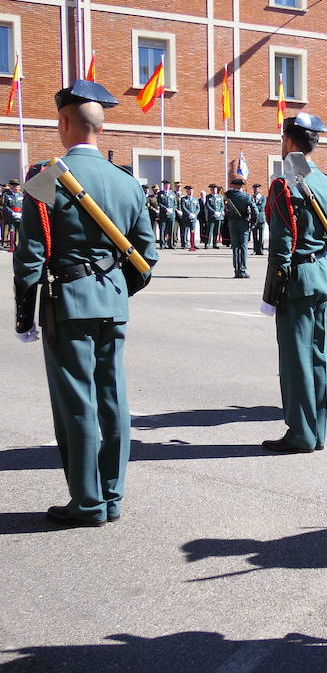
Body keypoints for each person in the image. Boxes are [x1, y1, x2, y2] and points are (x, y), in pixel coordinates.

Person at [12, 79, 158, 526]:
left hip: (67, 305)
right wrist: (113, 289)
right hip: (113, 304)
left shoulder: (45, 176)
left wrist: (24, 314)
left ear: (63, 123)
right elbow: (147, 253)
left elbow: (30, 256)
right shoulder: (128, 182)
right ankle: (111, 496)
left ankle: (88, 503)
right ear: (100, 127)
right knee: (112, 398)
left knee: (77, 403)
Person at [260, 113, 327, 453]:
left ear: (287, 142)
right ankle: (317, 431)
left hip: (297, 280)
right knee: (317, 357)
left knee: (296, 360)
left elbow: (281, 246)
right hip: (322, 278)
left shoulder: (286, 182)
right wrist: (325, 269)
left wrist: (272, 292)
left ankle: (300, 433)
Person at [224, 177, 257, 278]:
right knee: (243, 247)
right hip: (243, 223)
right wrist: (253, 222)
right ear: (242, 186)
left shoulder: (228, 196)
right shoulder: (246, 197)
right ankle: (242, 270)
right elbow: (255, 211)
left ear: (234, 186)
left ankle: (236, 270)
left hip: (232, 223)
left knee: (235, 247)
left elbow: (225, 208)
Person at [2, 179, 24, 253]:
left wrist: (21, 213)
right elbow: (5, 206)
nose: (17, 188)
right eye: (16, 187)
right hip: (11, 216)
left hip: (20, 216)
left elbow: (24, 205)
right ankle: (12, 246)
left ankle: (20, 246)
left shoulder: (21, 194)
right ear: (11, 187)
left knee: (20, 232)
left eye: (18, 187)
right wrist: (12, 213)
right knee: (12, 231)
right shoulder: (7, 195)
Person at [178, 185, 200, 251]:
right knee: (185, 231)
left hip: (193, 218)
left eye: (192, 191)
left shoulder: (195, 199)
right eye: (189, 191)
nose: (191, 192)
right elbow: (183, 207)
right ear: (187, 191)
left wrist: (194, 214)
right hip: (186, 218)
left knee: (193, 231)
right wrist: (189, 213)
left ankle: (193, 244)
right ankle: (184, 244)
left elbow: (198, 208)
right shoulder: (183, 199)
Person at [157, 180, 177, 249]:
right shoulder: (160, 193)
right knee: (162, 229)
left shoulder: (173, 193)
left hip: (171, 214)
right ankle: (162, 244)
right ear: (164, 186)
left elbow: (175, 204)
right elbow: (159, 203)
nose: (167, 186)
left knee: (171, 230)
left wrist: (172, 209)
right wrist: (166, 209)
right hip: (163, 214)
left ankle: (170, 244)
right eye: (166, 185)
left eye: (168, 185)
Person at [205, 184, 224, 249]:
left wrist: (219, 212)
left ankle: (215, 244)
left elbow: (222, 206)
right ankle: (207, 243)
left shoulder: (220, 197)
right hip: (212, 216)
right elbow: (207, 205)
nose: (214, 190)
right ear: (211, 190)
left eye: (215, 189)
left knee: (216, 231)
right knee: (210, 231)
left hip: (218, 216)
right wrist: (214, 212)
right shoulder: (208, 197)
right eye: (212, 189)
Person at [251, 183, 267, 255]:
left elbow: (262, 207)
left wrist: (253, 208)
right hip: (253, 218)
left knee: (261, 235)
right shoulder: (251, 197)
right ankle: (255, 250)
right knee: (254, 236)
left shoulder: (263, 197)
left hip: (261, 218)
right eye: (254, 188)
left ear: (259, 189)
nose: (256, 190)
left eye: (257, 188)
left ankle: (260, 250)